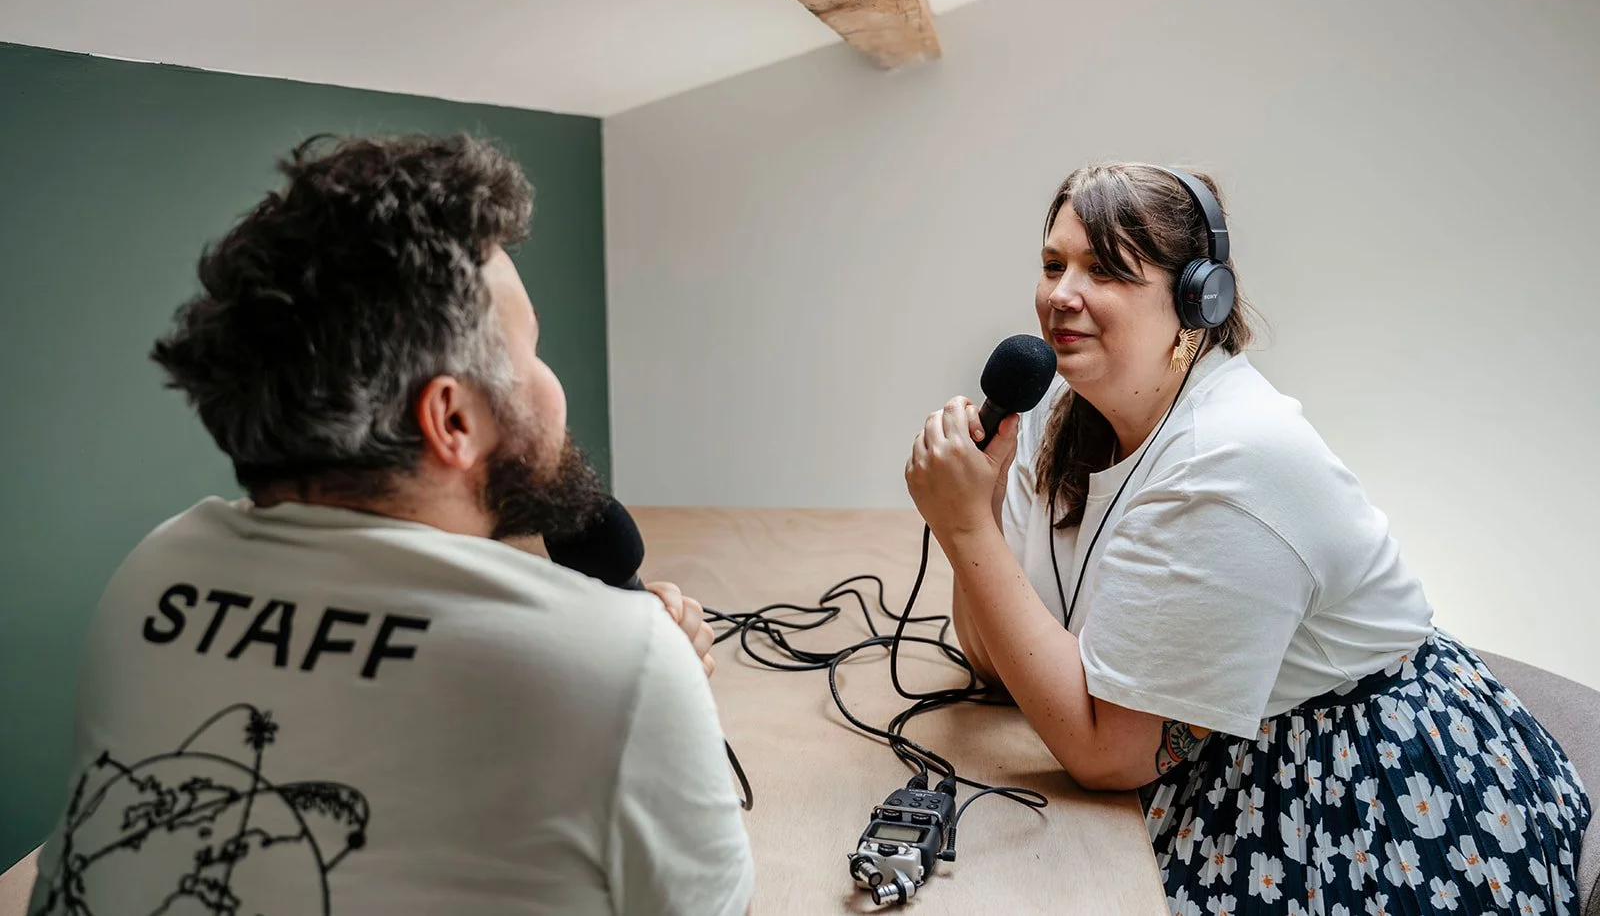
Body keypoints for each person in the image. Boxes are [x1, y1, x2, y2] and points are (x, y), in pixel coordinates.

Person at [28, 135, 754, 916]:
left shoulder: (151, 574)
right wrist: (653, 693)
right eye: (531, 350)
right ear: (450, 417)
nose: (552, 386)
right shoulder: (618, 660)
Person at [905, 163, 1589, 915]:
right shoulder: (1060, 413)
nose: (1060, 294)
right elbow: (992, 659)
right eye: (1052, 263)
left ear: (1199, 298)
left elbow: (1108, 754)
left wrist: (966, 526)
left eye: (1103, 269)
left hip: (1349, 790)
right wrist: (981, 504)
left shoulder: (1230, 462)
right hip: (1194, 759)